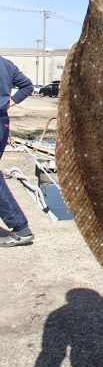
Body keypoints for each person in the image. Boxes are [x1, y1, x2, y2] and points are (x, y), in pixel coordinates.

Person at [0, 55, 34, 246]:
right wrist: (8, 103)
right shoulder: (6, 64)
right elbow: (27, 86)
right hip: (3, 124)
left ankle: (21, 228)